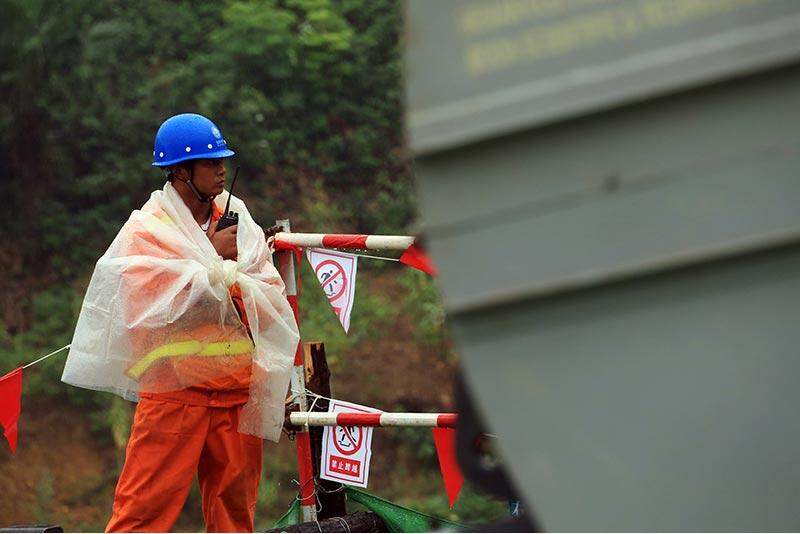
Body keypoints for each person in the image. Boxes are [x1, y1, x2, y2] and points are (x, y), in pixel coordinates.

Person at [61, 113, 299, 532]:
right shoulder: (148, 229)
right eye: (210, 162)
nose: (221, 169)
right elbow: (144, 305)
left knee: (234, 516)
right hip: (173, 390)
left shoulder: (237, 219)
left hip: (235, 391)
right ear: (180, 171)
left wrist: (222, 272)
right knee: (142, 512)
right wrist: (211, 260)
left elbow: (266, 290)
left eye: (222, 160)